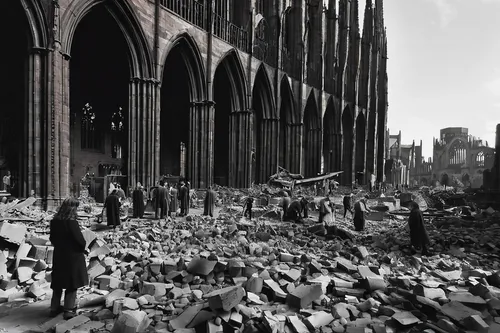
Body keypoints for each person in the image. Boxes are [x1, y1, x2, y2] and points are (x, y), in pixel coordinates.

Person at [49, 198, 88, 319]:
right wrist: (82, 248)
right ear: (72, 209)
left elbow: (52, 239)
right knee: (72, 283)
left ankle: (54, 308)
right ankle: (68, 310)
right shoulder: (71, 222)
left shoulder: (54, 221)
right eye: (76, 208)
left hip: (59, 255)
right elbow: (80, 241)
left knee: (58, 283)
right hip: (72, 256)